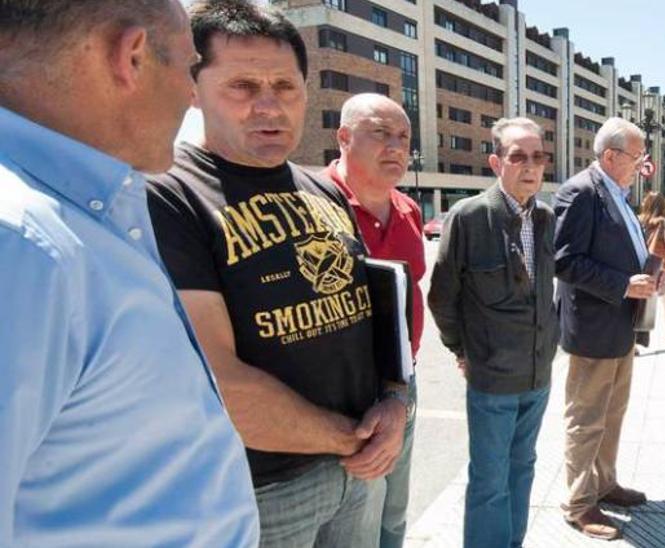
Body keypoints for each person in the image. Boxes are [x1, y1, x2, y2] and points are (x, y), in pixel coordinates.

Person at [147, 2, 407, 545]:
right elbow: (218, 381)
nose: (269, 106)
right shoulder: (169, 196)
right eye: (242, 85)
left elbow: (375, 318)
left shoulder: (328, 190)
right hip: (263, 491)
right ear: (193, 89)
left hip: (359, 473)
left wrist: (394, 403)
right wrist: (350, 438)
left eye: (285, 87)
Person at [0, 1, 259, 544]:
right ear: (132, 55)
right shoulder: (22, 245)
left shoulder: (72, 217)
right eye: (190, 67)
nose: (193, 96)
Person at [427, 117, 559, 548]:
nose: (531, 166)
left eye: (538, 157)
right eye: (518, 156)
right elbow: (442, 297)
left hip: (538, 376)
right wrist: (460, 349)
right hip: (492, 380)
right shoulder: (470, 217)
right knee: (489, 480)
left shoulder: (545, 216)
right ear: (495, 162)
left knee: (523, 469)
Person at [323, 93, 426, 548]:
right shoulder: (311, 205)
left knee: (394, 513)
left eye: (403, 137)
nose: (396, 147)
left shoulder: (409, 209)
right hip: (347, 394)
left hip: (405, 382)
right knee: (355, 525)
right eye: (380, 133)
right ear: (344, 138)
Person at [553, 117, 653, 540]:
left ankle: (604, 483)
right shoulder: (580, 192)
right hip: (595, 328)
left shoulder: (619, 193)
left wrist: (645, 274)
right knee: (587, 417)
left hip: (620, 324)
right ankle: (578, 502)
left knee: (613, 413)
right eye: (636, 156)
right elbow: (564, 260)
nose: (641, 164)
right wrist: (623, 284)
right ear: (610, 156)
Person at [639, 191, 665, 345]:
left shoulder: (640, 221)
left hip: (645, 267)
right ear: (663, 205)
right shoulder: (664, 222)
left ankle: (633, 343)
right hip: (664, 268)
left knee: (639, 305)